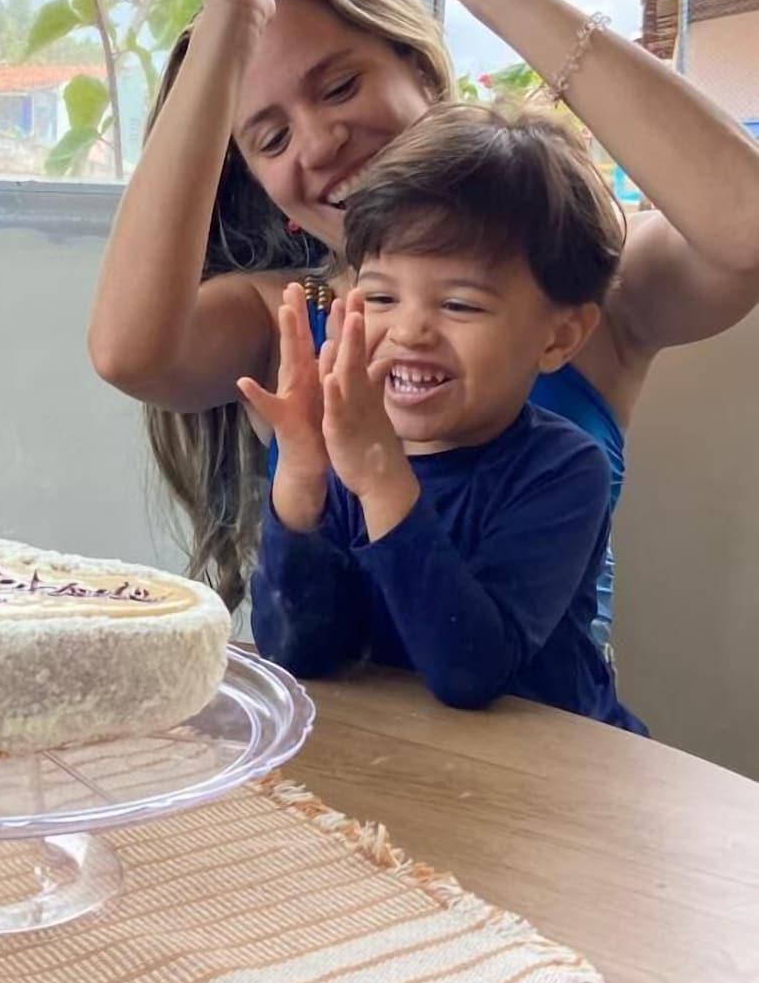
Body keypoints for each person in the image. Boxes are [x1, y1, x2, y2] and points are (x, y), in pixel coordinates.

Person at [89, 0, 759, 625]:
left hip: (547, 748)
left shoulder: (579, 274)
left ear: (418, 70)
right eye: (270, 137)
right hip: (327, 749)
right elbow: (129, 354)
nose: (322, 141)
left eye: (338, 87)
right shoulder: (279, 320)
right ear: (261, 187)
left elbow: (743, 225)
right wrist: (223, 28)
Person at [242, 104, 644, 732]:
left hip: (549, 778)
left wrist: (381, 479)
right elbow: (298, 654)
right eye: (379, 297)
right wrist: (299, 475)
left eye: (459, 304)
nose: (408, 331)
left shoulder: (564, 472)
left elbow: (470, 672)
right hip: (403, 761)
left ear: (559, 337)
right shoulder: (343, 455)